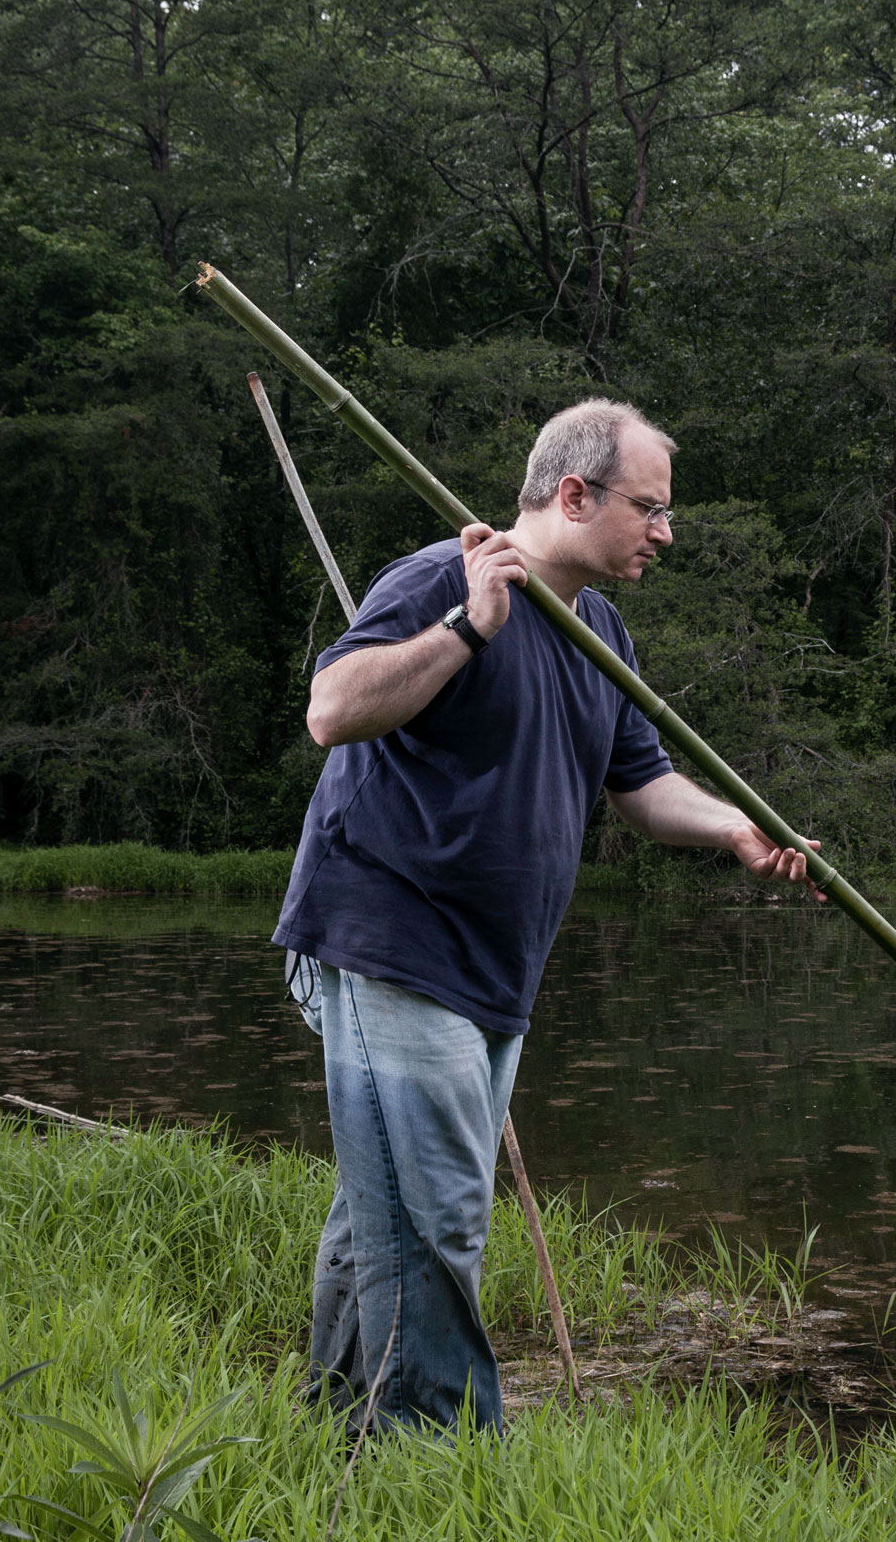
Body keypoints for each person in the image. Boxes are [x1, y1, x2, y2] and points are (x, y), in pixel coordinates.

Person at [272, 398, 819, 1433]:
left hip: (495, 969)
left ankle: (336, 1423)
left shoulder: (602, 631)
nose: (665, 531)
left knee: (381, 1209)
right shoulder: (445, 575)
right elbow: (333, 708)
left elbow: (644, 788)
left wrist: (736, 827)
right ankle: (441, 1457)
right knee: (436, 1217)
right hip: (389, 939)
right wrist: (469, 625)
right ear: (574, 493)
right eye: (651, 508)